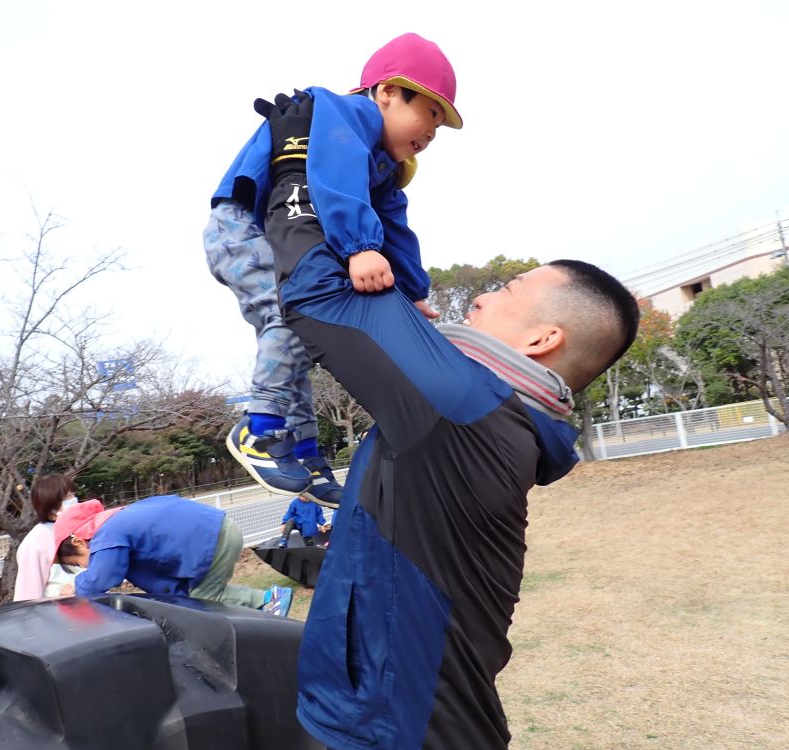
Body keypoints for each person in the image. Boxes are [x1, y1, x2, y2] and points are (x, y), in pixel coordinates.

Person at [257, 93, 641, 749]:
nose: (484, 296)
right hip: (405, 723)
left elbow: (319, 294)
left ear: (542, 340)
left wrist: (294, 167)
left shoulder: (466, 406)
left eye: (507, 291)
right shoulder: (497, 421)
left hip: (400, 733)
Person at [205, 32, 462, 509]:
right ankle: (259, 428)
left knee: (301, 339)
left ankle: (303, 452)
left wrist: (414, 290)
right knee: (289, 317)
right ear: (388, 92)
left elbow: (396, 227)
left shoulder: (384, 167)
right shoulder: (345, 113)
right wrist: (359, 247)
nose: (432, 132)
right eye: (430, 113)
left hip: (275, 235)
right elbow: (335, 173)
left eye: (440, 126)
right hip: (244, 227)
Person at [53, 498, 293, 617]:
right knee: (195, 598)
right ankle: (264, 603)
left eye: (77, 563)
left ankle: (269, 599)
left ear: (79, 541)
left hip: (213, 538)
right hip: (215, 531)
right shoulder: (118, 521)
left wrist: (76, 587)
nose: (84, 567)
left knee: (204, 600)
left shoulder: (107, 533)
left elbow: (102, 578)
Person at [12, 473, 81, 601]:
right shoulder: (36, 542)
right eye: (67, 497)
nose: (74, 500)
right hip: (58, 612)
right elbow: (28, 597)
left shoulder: (78, 530)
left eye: (73, 495)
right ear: (50, 506)